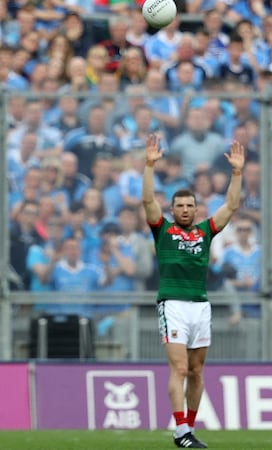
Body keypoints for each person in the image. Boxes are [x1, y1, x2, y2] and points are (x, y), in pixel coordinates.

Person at [142, 135, 245, 449]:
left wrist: (237, 173)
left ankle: (188, 428)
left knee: (198, 371)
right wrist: (149, 166)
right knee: (181, 367)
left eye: (190, 205)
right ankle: (180, 431)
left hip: (201, 305)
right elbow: (147, 201)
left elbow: (231, 205)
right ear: (172, 209)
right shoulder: (162, 230)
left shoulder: (205, 232)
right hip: (172, 304)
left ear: (196, 209)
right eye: (180, 205)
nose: (185, 209)